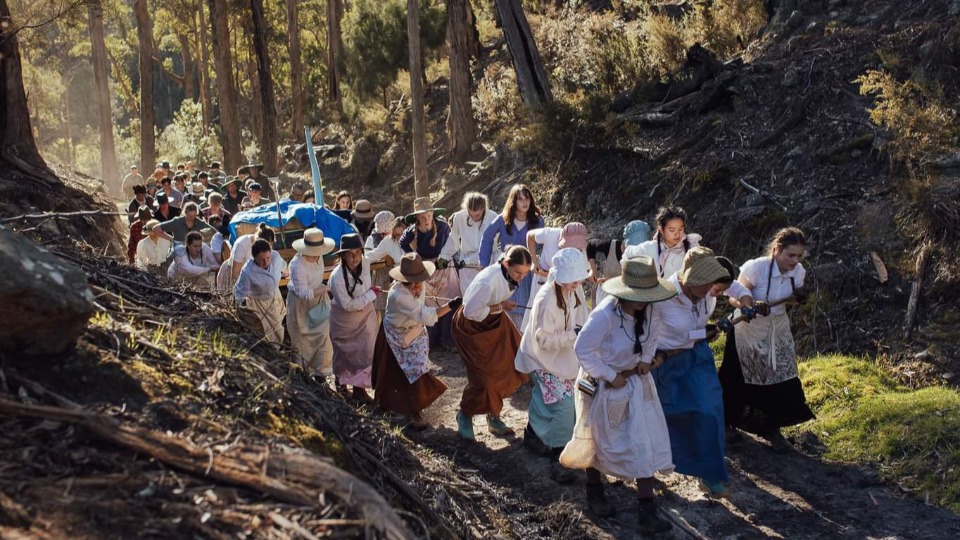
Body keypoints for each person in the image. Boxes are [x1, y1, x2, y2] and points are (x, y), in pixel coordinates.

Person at [559, 255, 677, 532]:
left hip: (636, 381)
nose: (643, 300)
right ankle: (594, 488)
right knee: (598, 438)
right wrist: (611, 376)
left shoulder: (650, 308)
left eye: (647, 295)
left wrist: (647, 358)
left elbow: (654, 333)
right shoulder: (604, 316)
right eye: (637, 295)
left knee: (645, 437)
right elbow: (582, 349)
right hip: (604, 382)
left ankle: (646, 508)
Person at [719, 227, 814, 451]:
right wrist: (749, 304)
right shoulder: (757, 268)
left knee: (779, 374)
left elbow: (789, 300)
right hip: (747, 329)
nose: (795, 260)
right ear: (777, 250)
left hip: (776, 329)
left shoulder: (798, 272)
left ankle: (771, 427)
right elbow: (733, 296)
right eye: (790, 255)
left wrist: (796, 299)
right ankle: (725, 424)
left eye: (799, 256)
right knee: (736, 376)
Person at [653, 247, 736, 497]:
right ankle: (650, 465)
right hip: (666, 361)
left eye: (711, 284)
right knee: (665, 415)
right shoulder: (663, 296)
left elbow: (737, 287)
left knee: (709, 408)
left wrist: (703, 333)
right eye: (703, 285)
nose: (708, 291)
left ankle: (710, 474)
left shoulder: (706, 290)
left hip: (697, 356)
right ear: (687, 280)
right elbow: (649, 331)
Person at [514, 248, 590, 483]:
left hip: (563, 356)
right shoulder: (547, 298)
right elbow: (542, 339)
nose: (577, 282)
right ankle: (560, 457)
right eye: (573, 277)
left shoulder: (572, 291)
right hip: (541, 359)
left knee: (571, 398)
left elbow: (582, 321)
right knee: (564, 405)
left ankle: (534, 434)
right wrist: (572, 336)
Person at [453, 245, 532, 440]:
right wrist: (501, 305)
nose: (521, 277)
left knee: (513, 362)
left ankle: (493, 415)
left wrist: (501, 307)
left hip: (496, 320)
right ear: (506, 264)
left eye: (525, 273)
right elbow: (470, 312)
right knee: (485, 378)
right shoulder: (488, 282)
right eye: (517, 272)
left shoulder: (510, 275)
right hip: (472, 328)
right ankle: (465, 413)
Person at [372, 253, 456, 429]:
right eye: (414, 281)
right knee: (399, 373)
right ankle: (403, 410)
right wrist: (450, 306)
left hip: (415, 332)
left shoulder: (421, 284)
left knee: (418, 368)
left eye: (420, 279)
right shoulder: (398, 295)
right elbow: (425, 315)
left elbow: (425, 303)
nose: (418, 284)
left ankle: (413, 410)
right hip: (396, 334)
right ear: (404, 280)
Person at [479, 184, 545, 329]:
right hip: (506, 267)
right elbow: (487, 236)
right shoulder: (503, 219)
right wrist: (483, 263)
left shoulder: (537, 221)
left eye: (527, 198)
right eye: (520, 199)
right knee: (504, 306)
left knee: (525, 306)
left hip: (527, 269)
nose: (525, 202)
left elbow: (543, 244)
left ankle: (521, 340)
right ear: (513, 201)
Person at [329, 234, 382, 403]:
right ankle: (342, 387)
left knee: (367, 351)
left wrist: (370, 293)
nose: (355, 258)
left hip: (366, 317)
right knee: (344, 354)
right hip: (345, 321)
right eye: (350, 254)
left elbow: (366, 286)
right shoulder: (337, 277)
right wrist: (370, 295)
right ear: (343, 255)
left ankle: (360, 389)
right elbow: (348, 305)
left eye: (358, 253)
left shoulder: (365, 263)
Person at [399, 197, 457, 348]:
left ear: (433, 214)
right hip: (425, 267)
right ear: (417, 217)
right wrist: (415, 259)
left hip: (443, 265)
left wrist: (445, 257)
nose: (426, 220)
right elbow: (403, 243)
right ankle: (432, 340)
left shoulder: (443, 226)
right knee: (429, 301)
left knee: (447, 300)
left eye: (429, 216)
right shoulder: (412, 230)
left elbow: (453, 241)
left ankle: (449, 340)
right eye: (423, 217)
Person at [286, 228, 336, 379]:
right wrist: (327, 288)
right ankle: (303, 376)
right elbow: (303, 293)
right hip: (301, 305)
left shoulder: (319, 257)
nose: (316, 256)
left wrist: (323, 289)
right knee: (303, 341)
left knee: (324, 337)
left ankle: (321, 374)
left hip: (319, 301)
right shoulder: (297, 265)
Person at [524, 222, 588, 330]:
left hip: (570, 286)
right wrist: (534, 260)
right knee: (542, 318)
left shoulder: (582, 250)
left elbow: (582, 274)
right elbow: (529, 236)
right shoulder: (549, 234)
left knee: (572, 320)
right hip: (544, 282)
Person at [440, 192, 499, 294]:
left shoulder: (493, 218)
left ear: (484, 208)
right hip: (466, 267)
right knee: (468, 296)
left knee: (487, 296)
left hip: (486, 263)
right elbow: (453, 240)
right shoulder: (459, 217)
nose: (473, 218)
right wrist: (444, 256)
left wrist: (467, 261)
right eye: (470, 214)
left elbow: (489, 246)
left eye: (477, 215)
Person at [624, 206, 701, 278]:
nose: (677, 234)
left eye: (680, 229)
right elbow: (628, 254)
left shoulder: (691, 247)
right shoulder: (650, 248)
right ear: (661, 229)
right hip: (657, 292)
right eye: (672, 230)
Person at [235, 238, 287, 344]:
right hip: (259, 304)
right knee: (267, 335)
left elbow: (284, 266)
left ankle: (279, 348)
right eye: (261, 260)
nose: (266, 262)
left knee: (279, 329)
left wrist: (288, 273)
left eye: (268, 258)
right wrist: (243, 313)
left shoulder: (276, 257)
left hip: (275, 297)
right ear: (254, 258)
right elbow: (239, 293)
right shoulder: (248, 271)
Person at [365, 212, 405, 314]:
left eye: (402, 234)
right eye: (397, 235)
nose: (399, 238)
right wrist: (355, 260)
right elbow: (372, 255)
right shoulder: (388, 242)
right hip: (398, 281)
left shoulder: (413, 239)